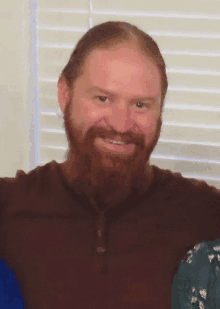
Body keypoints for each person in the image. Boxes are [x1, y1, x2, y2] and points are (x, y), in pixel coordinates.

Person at [0, 21, 220, 309]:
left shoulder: (204, 213)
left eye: (140, 105)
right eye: (102, 98)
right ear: (65, 95)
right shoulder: (9, 207)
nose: (120, 124)